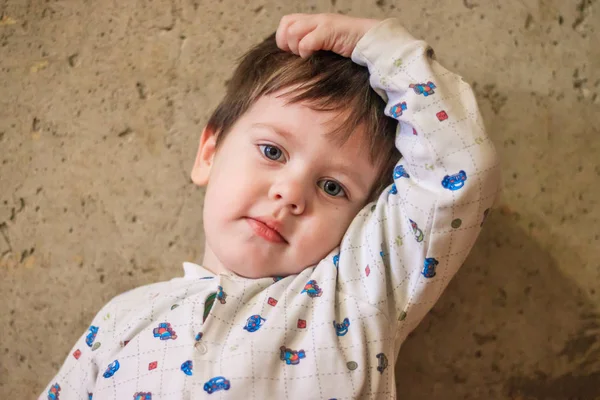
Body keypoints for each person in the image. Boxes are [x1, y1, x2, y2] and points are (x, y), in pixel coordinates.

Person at [40, 13, 500, 399]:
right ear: (209, 154)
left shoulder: (355, 297)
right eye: (272, 152)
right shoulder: (125, 317)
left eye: (333, 187)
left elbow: (459, 168)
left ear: (364, 218)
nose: (291, 194)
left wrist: (373, 44)